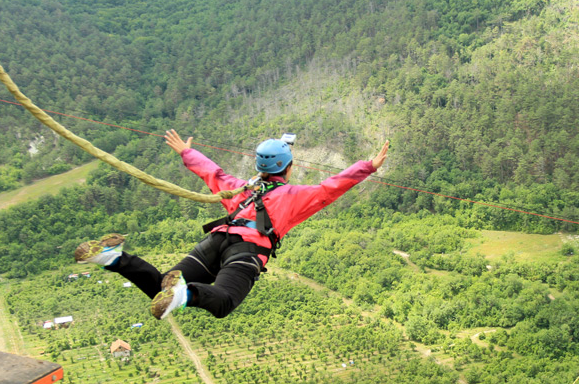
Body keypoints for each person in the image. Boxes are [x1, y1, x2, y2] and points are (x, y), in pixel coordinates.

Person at [75, 130, 389, 320]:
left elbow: (212, 173)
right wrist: (368, 167)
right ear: (288, 168)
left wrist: (187, 152)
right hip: (246, 250)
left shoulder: (241, 188)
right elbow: (329, 188)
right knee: (222, 302)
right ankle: (186, 295)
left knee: (161, 286)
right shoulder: (294, 196)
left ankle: (113, 258)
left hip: (215, 240)